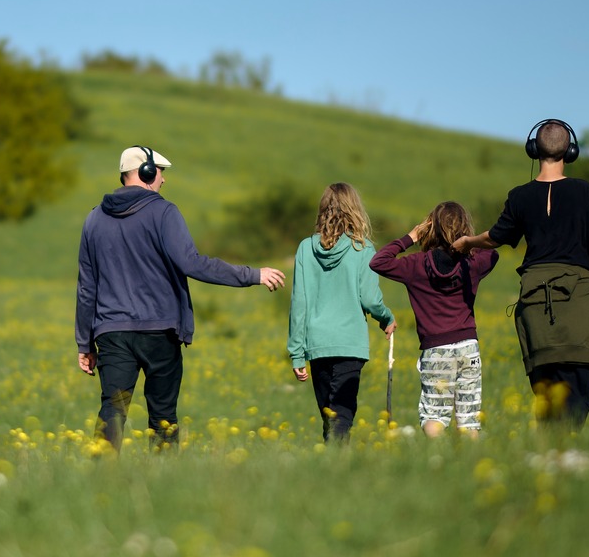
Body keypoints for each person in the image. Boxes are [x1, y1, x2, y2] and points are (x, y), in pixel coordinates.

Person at [75, 146, 286, 451]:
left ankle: (101, 476)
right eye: (160, 172)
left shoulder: (93, 219)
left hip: (112, 332)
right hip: (160, 331)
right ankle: (161, 480)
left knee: (113, 409)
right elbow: (193, 263)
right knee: (162, 415)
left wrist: (85, 342)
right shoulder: (164, 212)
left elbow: (86, 287)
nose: (163, 180)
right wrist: (252, 275)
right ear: (147, 172)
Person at [454, 119, 589, 429]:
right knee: (578, 395)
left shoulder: (519, 196)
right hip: (578, 302)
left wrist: (467, 242)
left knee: (546, 397)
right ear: (571, 151)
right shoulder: (584, 191)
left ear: (533, 150)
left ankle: (549, 458)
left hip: (534, 304)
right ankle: (565, 456)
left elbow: (495, 237)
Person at [371, 201, 499, 438]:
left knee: (434, 416)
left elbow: (378, 262)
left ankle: (436, 459)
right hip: (468, 347)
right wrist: (469, 242)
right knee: (469, 419)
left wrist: (411, 236)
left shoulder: (415, 265)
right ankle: (468, 465)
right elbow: (493, 253)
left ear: (430, 230)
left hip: (435, 350)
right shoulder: (473, 263)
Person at [287, 182, 397, 444]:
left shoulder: (305, 249)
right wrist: (386, 317)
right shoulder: (363, 248)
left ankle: (331, 468)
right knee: (342, 414)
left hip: (317, 344)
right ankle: (336, 463)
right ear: (355, 210)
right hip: (349, 344)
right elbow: (370, 298)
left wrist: (296, 353)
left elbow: (299, 303)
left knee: (329, 416)